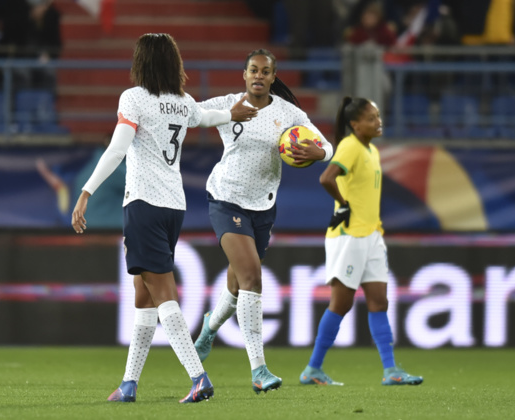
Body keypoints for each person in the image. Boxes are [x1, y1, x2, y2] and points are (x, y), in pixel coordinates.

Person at [71, 33, 257, 404]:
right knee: (144, 293)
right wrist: (231, 114)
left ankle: (198, 376)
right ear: (173, 63)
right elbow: (204, 117)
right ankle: (129, 384)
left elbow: (117, 149)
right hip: (174, 206)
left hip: (143, 203)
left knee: (161, 291)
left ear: (141, 63)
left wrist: (86, 191)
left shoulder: (134, 99)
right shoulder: (181, 102)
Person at [193, 48, 333, 394]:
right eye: (252, 70)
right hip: (226, 198)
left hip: (263, 206)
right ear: (244, 74)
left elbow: (326, 146)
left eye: (265, 71)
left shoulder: (289, 113)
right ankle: (259, 370)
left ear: (273, 77)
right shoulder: (229, 102)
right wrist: (225, 114)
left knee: (238, 283)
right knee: (252, 276)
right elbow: (191, 114)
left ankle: (210, 327)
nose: (258, 75)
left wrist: (320, 153)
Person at [295, 96, 423, 386]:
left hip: (372, 235)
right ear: (355, 124)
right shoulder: (351, 146)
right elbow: (326, 178)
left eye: (378, 116)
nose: (378, 122)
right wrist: (342, 204)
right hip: (349, 236)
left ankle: (391, 371)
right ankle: (312, 369)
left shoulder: (371, 150)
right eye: (371, 118)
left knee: (380, 301)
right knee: (340, 304)